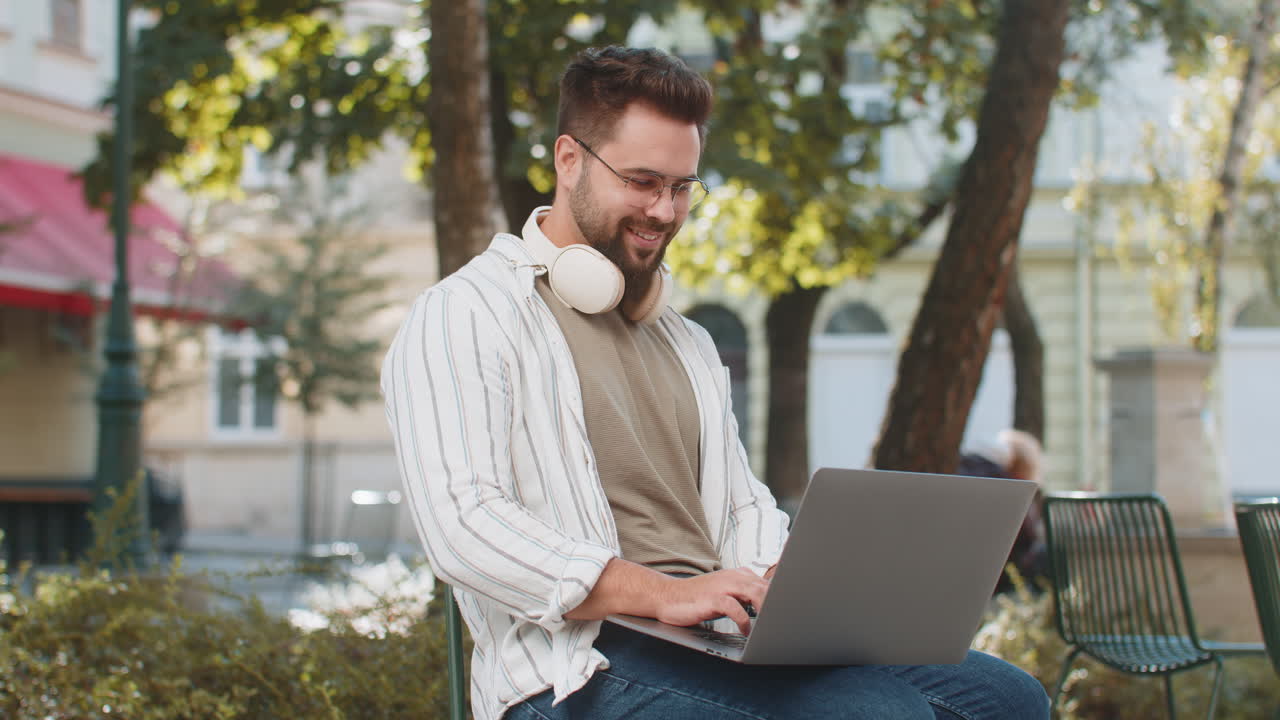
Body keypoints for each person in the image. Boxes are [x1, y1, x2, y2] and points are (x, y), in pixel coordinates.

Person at [382, 45, 1050, 720]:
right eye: (642, 181)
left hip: (713, 639)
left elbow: (742, 507)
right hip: (576, 665)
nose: (665, 213)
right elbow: (463, 524)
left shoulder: (687, 342)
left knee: (1010, 700)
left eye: (681, 187)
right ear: (569, 159)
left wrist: (777, 582)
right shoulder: (465, 314)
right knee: (876, 714)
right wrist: (663, 594)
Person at [957, 429, 1049, 593]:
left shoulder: (984, 478)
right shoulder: (1014, 492)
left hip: (973, 567)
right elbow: (1028, 540)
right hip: (1003, 574)